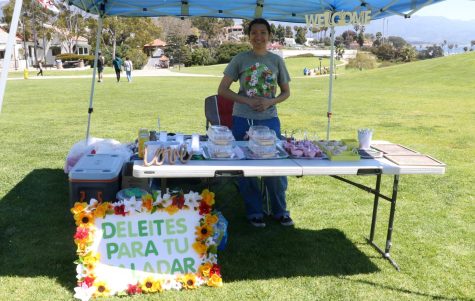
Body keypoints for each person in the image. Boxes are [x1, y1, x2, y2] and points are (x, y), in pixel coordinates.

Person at [217, 18, 293, 228]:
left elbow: (286, 92)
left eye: (263, 33)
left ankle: (280, 210)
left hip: (269, 121)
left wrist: (271, 101)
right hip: (243, 119)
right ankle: (254, 211)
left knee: (275, 167)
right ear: (249, 36)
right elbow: (222, 90)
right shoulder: (240, 59)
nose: (258, 37)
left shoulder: (277, 61)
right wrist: (247, 100)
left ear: (269, 36)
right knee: (246, 167)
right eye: (254, 33)